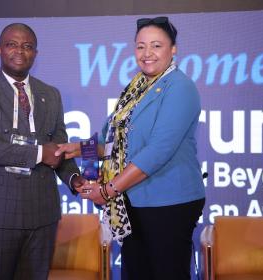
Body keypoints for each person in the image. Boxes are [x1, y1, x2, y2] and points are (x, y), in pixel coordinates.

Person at [55, 17, 205, 280]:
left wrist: (108, 190)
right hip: (133, 200)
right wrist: (75, 150)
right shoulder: (135, 89)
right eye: (140, 46)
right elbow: (110, 143)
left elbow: (158, 151)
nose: (147, 54)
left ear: (173, 49)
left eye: (156, 46)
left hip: (168, 202)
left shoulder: (180, 87)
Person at [0, 23, 85, 280]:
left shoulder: (50, 95)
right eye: (12, 45)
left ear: (35, 54)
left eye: (27, 46)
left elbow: (59, 147)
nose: (20, 51)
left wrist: (74, 179)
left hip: (42, 216)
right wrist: (39, 154)